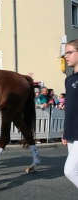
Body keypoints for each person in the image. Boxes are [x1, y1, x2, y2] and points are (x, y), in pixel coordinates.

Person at [62, 39, 78, 188]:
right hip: (72, 132)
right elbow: (70, 108)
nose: (66, 56)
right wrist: (66, 131)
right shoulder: (69, 79)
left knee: (70, 171)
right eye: (65, 52)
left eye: (69, 52)